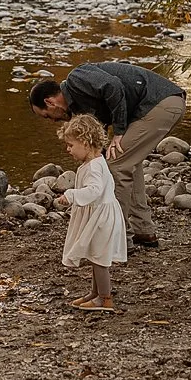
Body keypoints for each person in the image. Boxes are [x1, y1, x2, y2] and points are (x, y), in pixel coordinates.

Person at [29, 60, 186, 249]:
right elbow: (99, 136)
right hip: (157, 106)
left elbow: (114, 86)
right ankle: (144, 231)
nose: (52, 120)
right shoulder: (80, 108)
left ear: (50, 102)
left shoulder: (76, 79)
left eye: (47, 115)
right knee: (125, 162)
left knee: (118, 164)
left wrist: (119, 132)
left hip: (160, 102)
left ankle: (117, 238)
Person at [57, 113, 128, 309]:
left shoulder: (95, 167)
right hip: (97, 215)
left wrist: (72, 195)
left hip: (101, 218)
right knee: (95, 256)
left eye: (71, 145)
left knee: (100, 259)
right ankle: (95, 293)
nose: (68, 149)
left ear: (86, 143)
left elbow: (95, 191)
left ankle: (105, 298)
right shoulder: (92, 163)